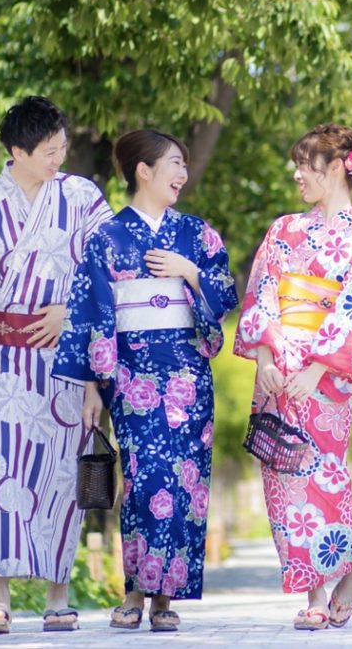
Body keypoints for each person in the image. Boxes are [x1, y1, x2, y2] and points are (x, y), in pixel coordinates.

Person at [0, 96, 113, 634]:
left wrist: (71, 313)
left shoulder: (80, 198)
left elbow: (107, 269)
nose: (59, 158)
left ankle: (59, 596)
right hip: (5, 361)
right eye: (49, 150)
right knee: (4, 471)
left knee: (61, 473)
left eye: (62, 147)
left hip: (67, 362)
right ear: (18, 150)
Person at [52, 129, 238, 633]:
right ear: (144, 171)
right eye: (174, 164)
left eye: (182, 164)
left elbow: (224, 295)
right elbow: (91, 315)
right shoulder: (106, 239)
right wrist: (92, 387)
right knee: (142, 482)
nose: (182, 173)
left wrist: (190, 272)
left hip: (187, 375)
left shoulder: (197, 236)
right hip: (132, 379)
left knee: (187, 484)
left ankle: (165, 599)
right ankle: (135, 589)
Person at [234, 124, 352, 631]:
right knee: (283, 480)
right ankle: (313, 590)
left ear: (341, 166)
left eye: (307, 165)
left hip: (326, 376)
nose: (298, 174)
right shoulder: (283, 230)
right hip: (277, 371)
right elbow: (262, 293)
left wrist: (319, 366)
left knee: (323, 475)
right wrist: (266, 359)